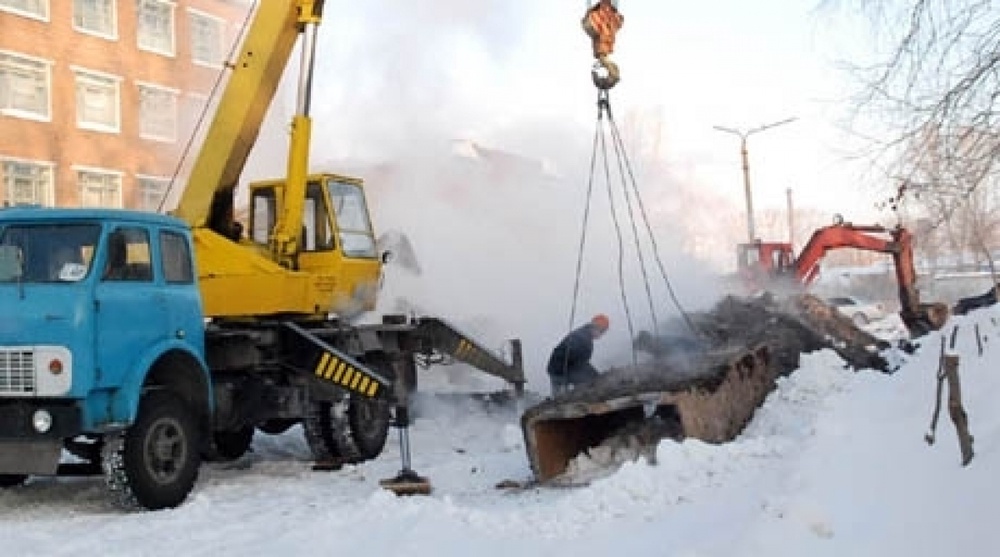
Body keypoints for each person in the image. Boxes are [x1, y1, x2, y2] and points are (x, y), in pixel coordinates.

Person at [547, 314, 610, 395]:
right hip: (560, 371)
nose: (601, 335)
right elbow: (581, 364)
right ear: (595, 327)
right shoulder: (584, 339)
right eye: (602, 331)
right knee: (561, 398)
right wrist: (596, 377)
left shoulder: (583, 334)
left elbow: (580, 363)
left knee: (561, 396)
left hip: (557, 368)